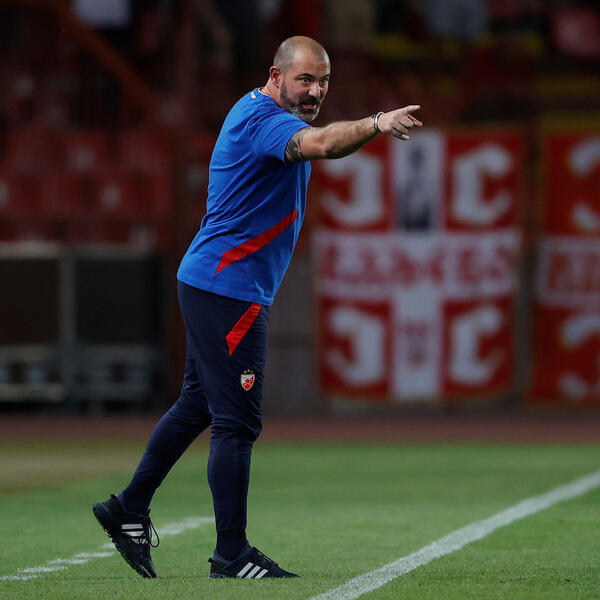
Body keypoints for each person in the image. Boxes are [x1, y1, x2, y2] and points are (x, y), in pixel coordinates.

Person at [92, 35, 422, 580]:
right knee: (237, 422)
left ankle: (128, 507)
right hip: (229, 290)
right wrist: (377, 122)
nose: (315, 91)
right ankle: (231, 553)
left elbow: (316, 141)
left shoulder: (259, 112)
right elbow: (324, 144)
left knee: (198, 407)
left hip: (215, 284)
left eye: (323, 81)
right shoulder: (265, 121)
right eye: (305, 79)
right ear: (275, 76)